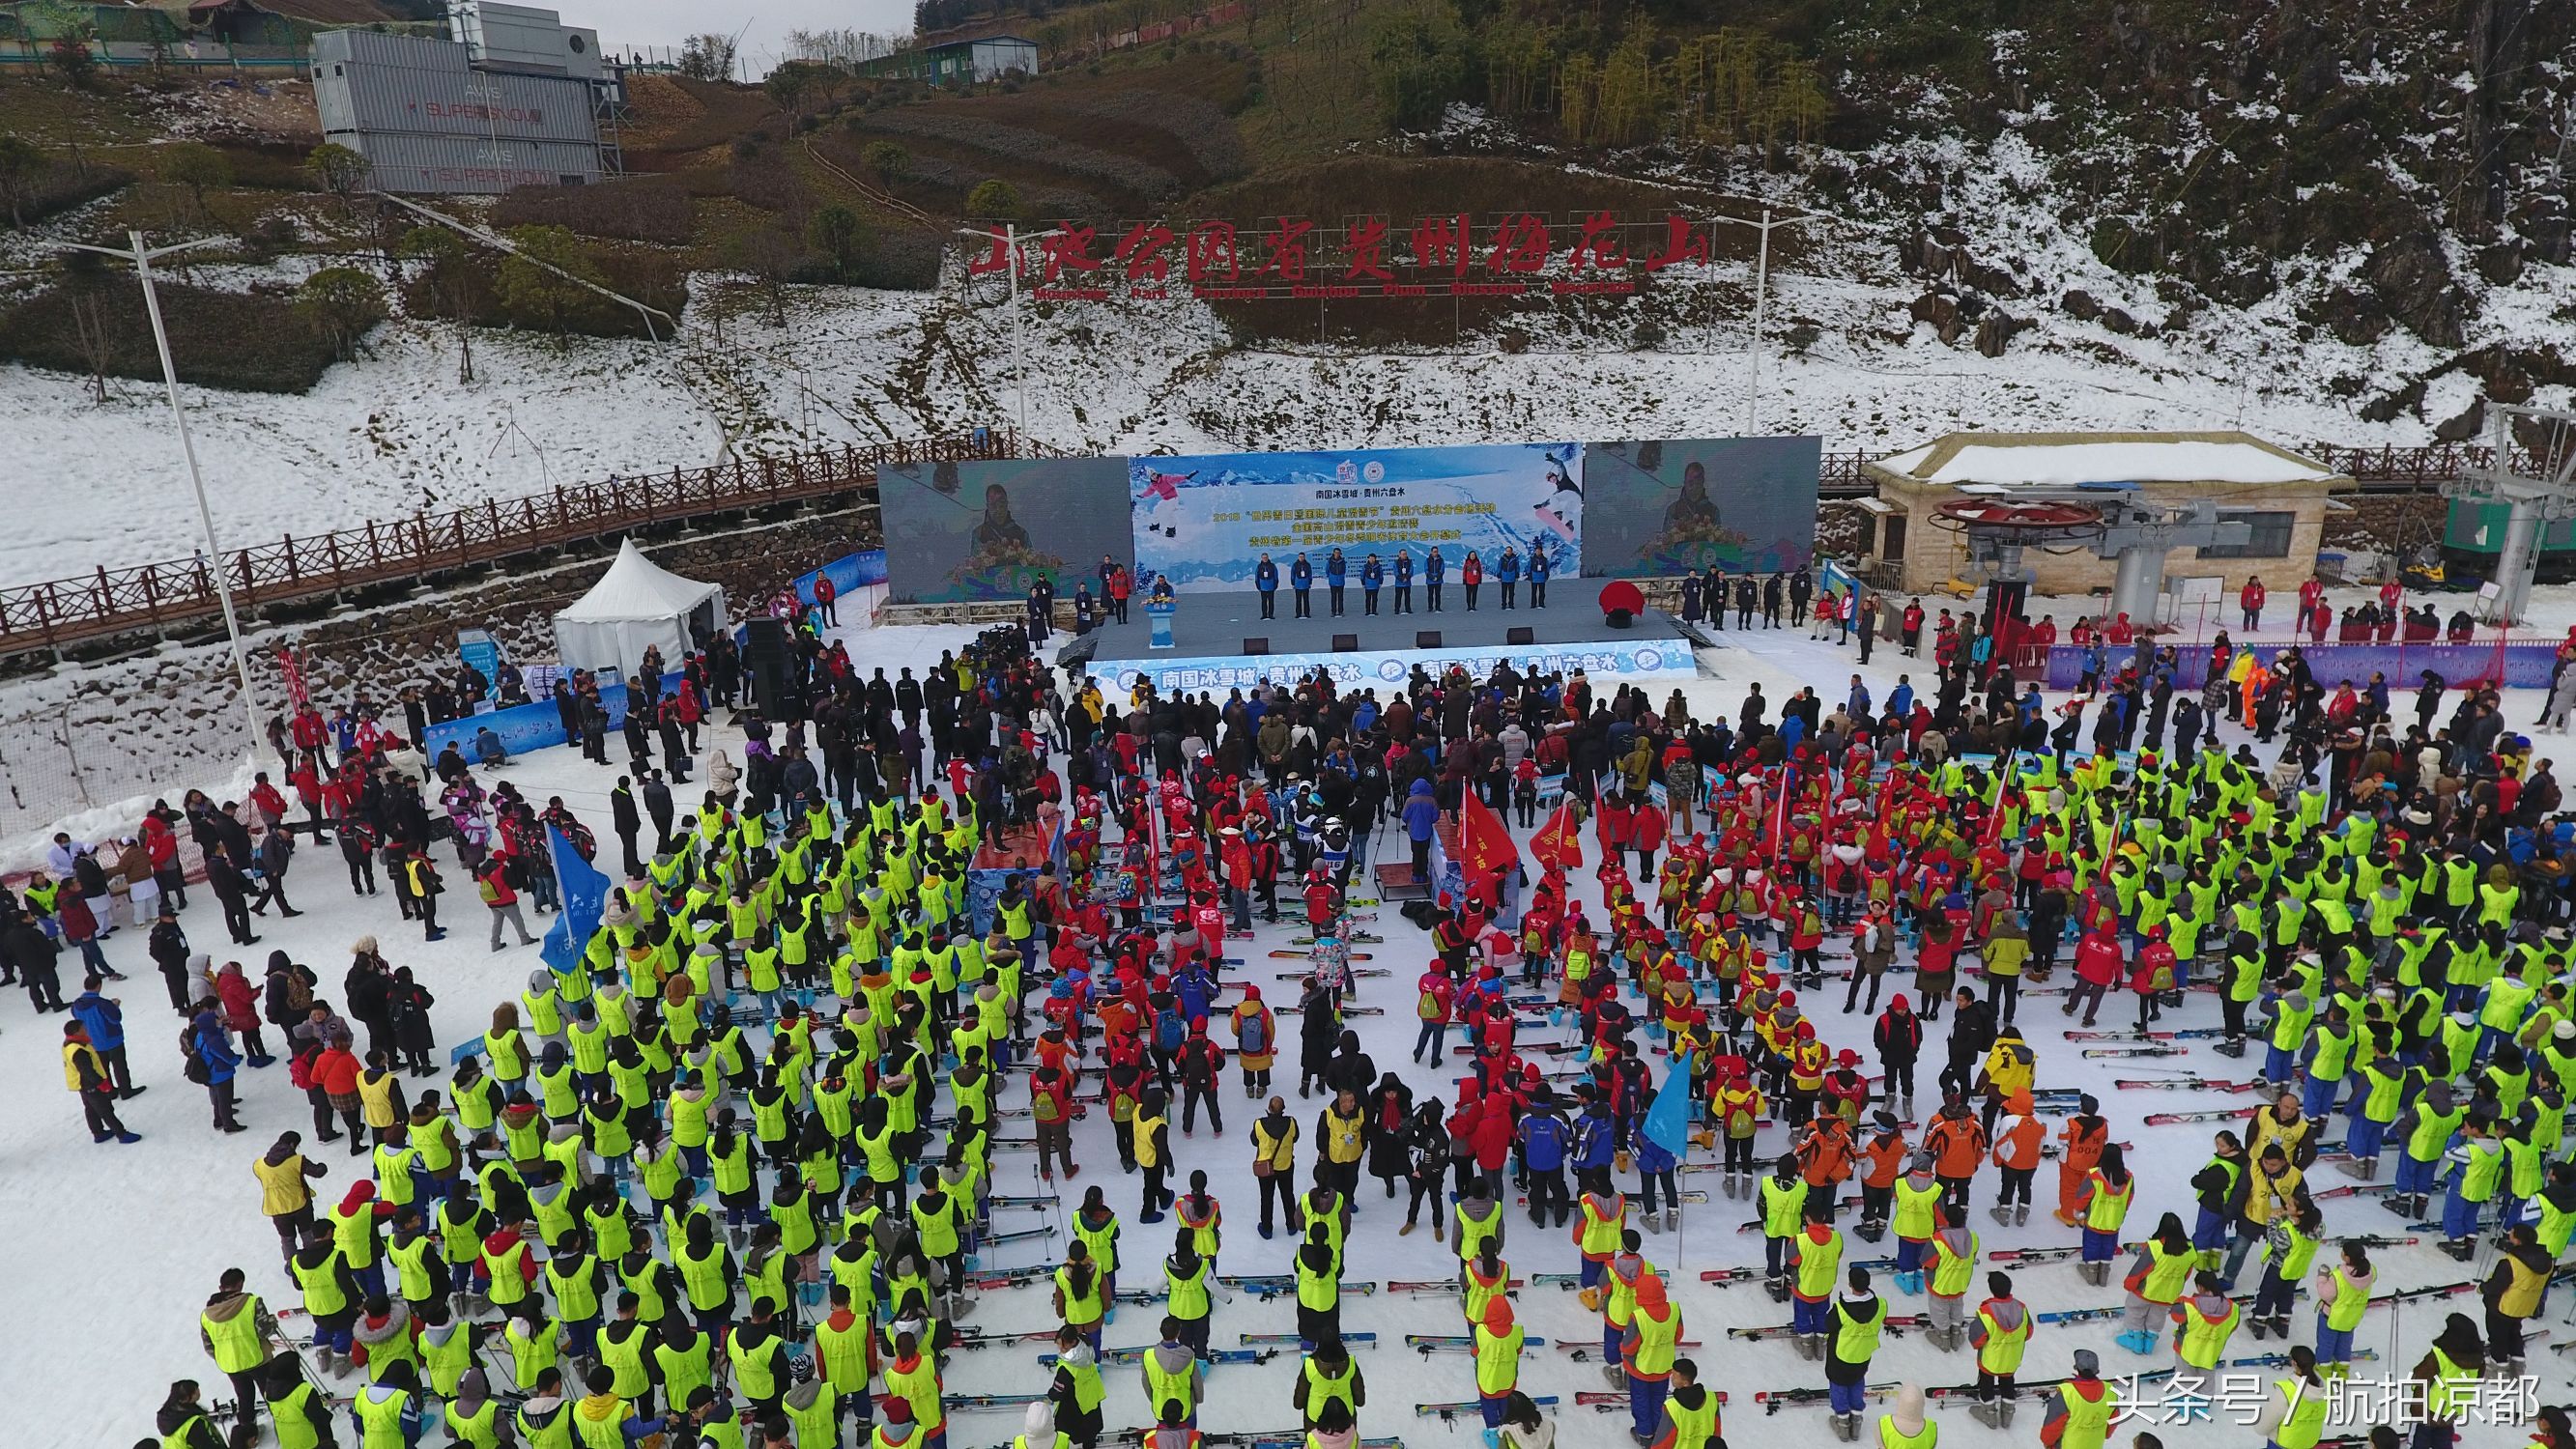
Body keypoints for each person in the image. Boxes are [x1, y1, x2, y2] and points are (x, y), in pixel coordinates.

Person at [64, 1019, 140, 1144]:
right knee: (105, 1109)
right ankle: (121, 1134)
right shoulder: (79, 1050)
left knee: (91, 1108)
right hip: (89, 1084)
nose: (86, 1029)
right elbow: (87, 1070)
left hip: (80, 1084)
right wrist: (100, 1083)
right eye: (83, 1028)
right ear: (77, 1032)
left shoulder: (70, 1044)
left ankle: (98, 1133)